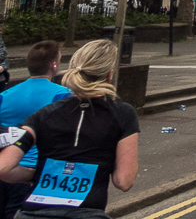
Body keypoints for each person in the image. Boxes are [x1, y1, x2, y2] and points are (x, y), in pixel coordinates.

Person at [0, 40, 139, 218]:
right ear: (109, 74)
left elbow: (3, 168)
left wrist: (40, 174)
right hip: (86, 212)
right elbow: (124, 181)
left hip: (34, 212)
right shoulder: (123, 114)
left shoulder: (46, 113)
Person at [0, 41, 71, 219]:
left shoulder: (5, 95)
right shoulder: (63, 95)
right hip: (32, 174)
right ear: (53, 65)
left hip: (4, 169)